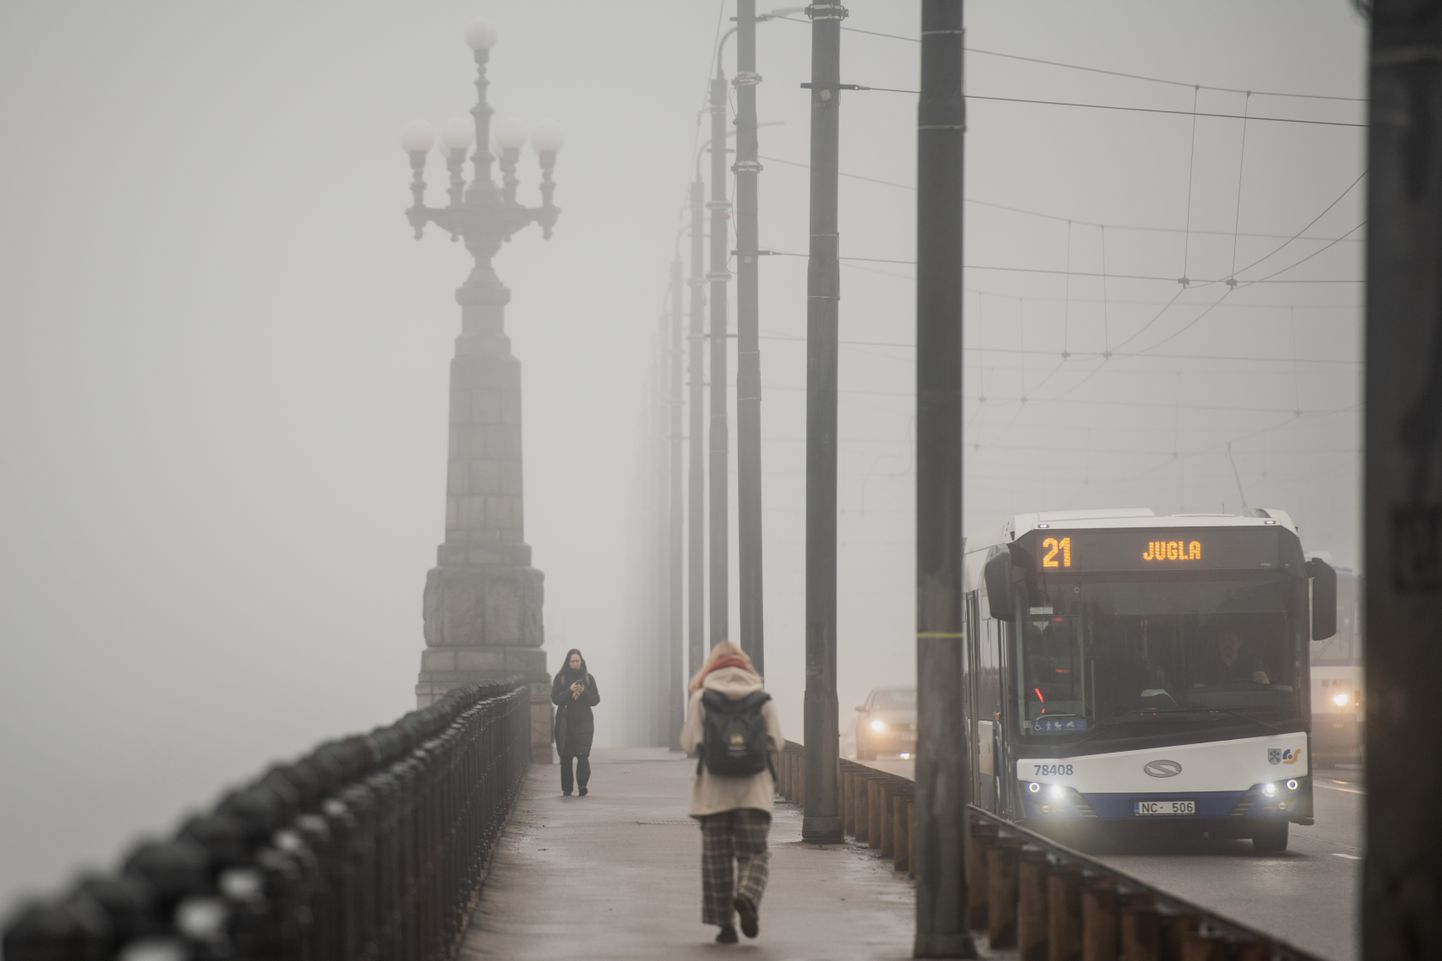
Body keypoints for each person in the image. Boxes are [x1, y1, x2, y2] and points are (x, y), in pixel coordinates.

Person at [679, 641, 782, 945]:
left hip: (714, 793)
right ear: (745, 666)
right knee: (756, 853)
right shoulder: (762, 699)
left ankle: (725, 927)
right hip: (753, 793)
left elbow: (689, 743)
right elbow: (776, 742)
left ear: (711, 666)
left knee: (717, 860)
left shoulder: (701, 698)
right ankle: (748, 896)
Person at [551, 648, 600, 797]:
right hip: (565, 723)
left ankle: (582, 785)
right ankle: (567, 788)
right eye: (572, 661)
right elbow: (556, 699)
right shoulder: (561, 678)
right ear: (568, 662)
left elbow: (595, 700)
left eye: (577, 661)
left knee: (583, 755)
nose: (575, 663)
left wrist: (583, 691)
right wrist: (569, 690)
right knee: (566, 757)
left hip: (584, 723)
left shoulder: (588, 678)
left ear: (581, 661)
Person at [1197, 629, 1270, 685]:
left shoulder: (1253, 662)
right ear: (1218, 644)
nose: (1227, 644)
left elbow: (1263, 685)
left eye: (1231, 640)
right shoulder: (1208, 666)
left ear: (1239, 643)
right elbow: (1199, 693)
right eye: (1223, 641)